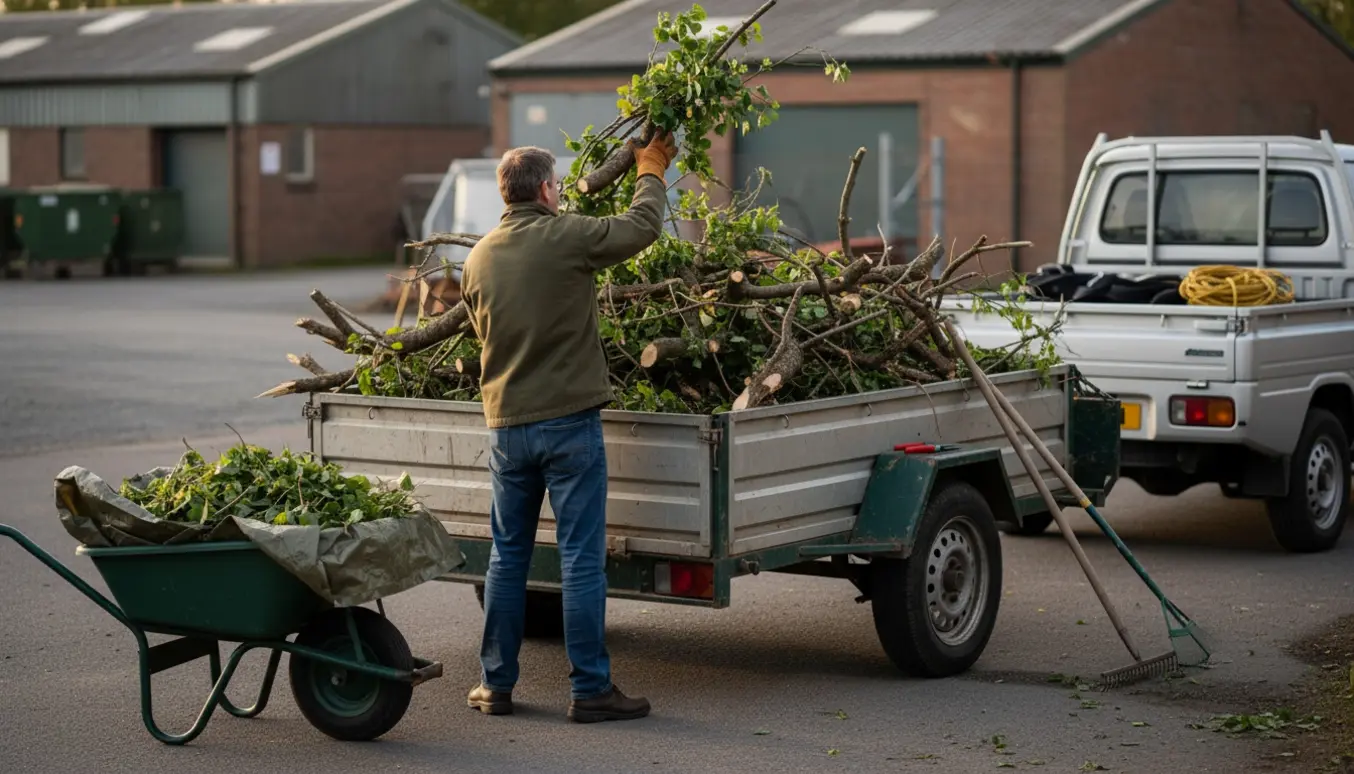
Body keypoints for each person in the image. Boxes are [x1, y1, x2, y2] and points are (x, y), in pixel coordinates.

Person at [459, 131, 678, 723]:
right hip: (568, 425)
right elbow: (642, 227)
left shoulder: (477, 258)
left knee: (507, 557)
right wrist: (650, 167)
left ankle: (495, 686)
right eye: (556, 185)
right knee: (580, 557)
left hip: (507, 426)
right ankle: (589, 690)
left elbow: (482, 333)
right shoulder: (568, 236)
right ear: (546, 191)